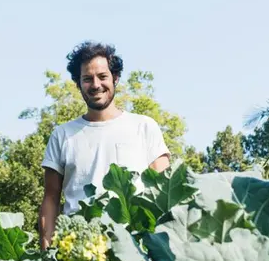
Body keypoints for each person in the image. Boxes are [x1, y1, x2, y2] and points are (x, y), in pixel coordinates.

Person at [38, 41, 171, 249]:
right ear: (78, 84)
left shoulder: (144, 127)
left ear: (115, 78)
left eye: (102, 76)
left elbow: (164, 190)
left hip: (137, 248)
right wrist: (46, 249)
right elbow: (51, 198)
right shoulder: (62, 135)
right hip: (79, 247)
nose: (96, 85)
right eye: (87, 79)